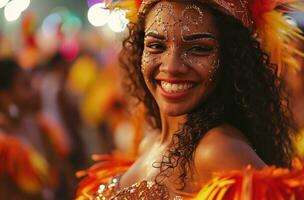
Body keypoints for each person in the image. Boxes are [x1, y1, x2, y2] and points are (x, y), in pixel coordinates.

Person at [76, 0, 304, 199]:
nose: (172, 66)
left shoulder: (217, 150)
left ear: (231, 59)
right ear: (139, 50)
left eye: (198, 49)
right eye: (156, 46)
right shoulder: (152, 140)